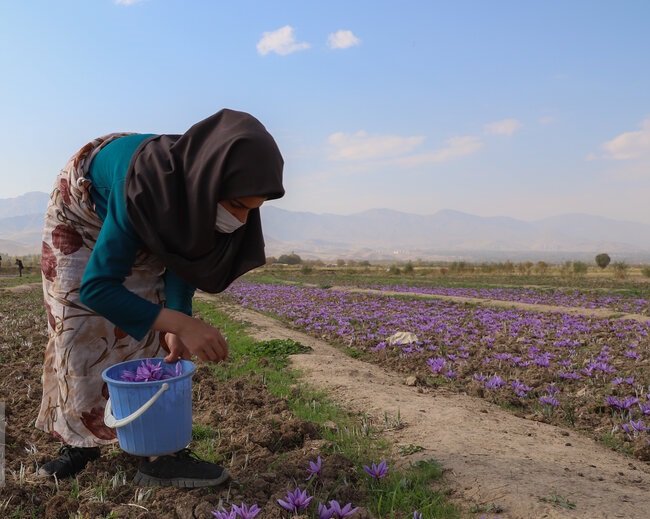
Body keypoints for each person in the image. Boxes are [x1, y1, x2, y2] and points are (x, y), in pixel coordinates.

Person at [36, 109, 284, 487]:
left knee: (152, 325)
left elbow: (186, 258)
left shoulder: (198, 188)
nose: (242, 221)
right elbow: (98, 288)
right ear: (209, 186)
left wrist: (176, 320)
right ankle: (79, 442)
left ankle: (160, 455)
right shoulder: (144, 188)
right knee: (79, 325)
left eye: (253, 211)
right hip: (84, 209)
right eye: (236, 207)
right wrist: (183, 323)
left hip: (145, 208)